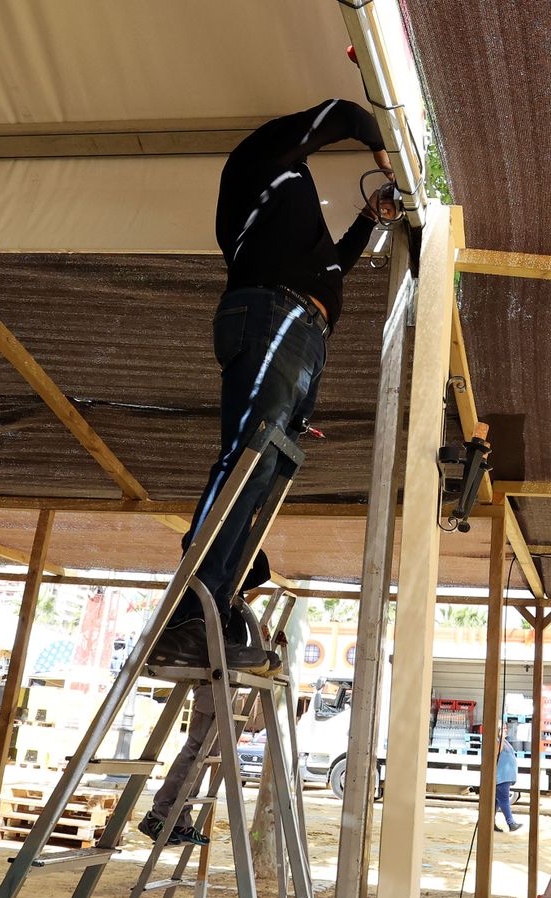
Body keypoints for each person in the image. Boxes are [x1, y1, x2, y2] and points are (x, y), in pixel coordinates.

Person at [149, 98, 397, 675]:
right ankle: (188, 610)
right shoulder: (260, 158)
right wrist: (383, 149)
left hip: (301, 330)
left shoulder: (285, 209)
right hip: (272, 318)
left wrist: (367, 218)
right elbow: (343, 114)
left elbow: (329, 267)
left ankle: (216, 600)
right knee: (249, 461)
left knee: (261, 474)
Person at [138, 688, 214, 846]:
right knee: (196, 751)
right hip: (212, 684)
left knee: (208, 755)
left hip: (228, 686)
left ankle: (180, 822)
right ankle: (157, 816)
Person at [493, 726, 521, 833]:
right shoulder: (496, 741)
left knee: (496, 802)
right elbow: (496, 752)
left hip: (506, 776)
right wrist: (501, 738)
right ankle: (511, 823)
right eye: (503, 728)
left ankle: (490, 823)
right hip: (501, 776)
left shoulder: (504, 741)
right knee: (504, 800)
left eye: (505, 728)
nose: (505, 729)